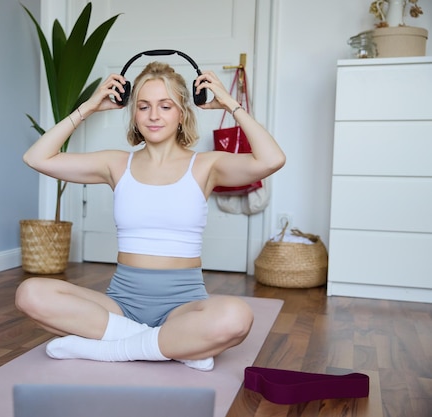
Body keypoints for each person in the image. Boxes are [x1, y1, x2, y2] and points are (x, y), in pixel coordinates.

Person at [15, 61, 285, 371]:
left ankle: (114, 349)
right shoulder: (116, 164)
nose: (154, 115)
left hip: (183, 306)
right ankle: (167, 344)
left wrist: (230, 103)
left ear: (182, 112)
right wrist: (88, 108)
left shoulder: (207, 166)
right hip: (120, 305)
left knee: (236, 317)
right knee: (30, 294)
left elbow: (272, 159)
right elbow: (36, 157)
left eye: (165, 106)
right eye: (143, 106)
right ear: (134, 114)